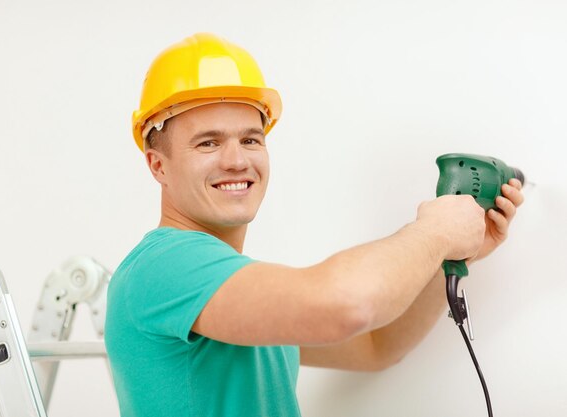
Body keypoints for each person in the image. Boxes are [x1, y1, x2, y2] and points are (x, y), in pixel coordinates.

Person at [104, 33, 524, 417]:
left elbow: (378, 347)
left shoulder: (233, 287)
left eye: (251, 139)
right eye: (208, 142)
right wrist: (436, 232)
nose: (236, 159)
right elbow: (347, 304)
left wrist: (449, 256)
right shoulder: (165, 266)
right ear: (158, 164)